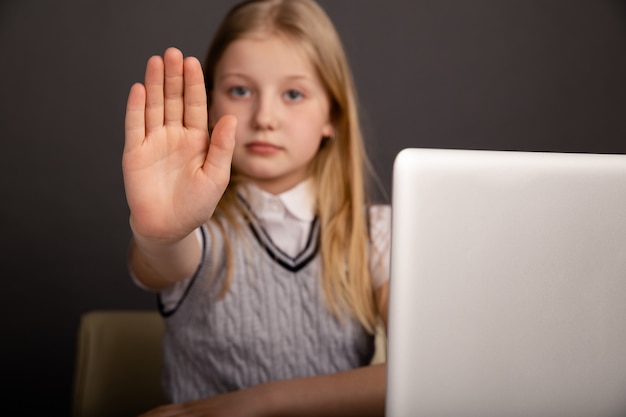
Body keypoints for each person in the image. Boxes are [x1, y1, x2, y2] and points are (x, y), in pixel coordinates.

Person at [122, 0, 391, 415]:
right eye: (240, 91)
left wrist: (259, 404)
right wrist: (161, 234)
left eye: (294, 94)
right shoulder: (199, 227)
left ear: (332, 115)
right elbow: (162, 261)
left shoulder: (375, 235)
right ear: (211, 103)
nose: (265, 117)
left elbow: (420, 373)